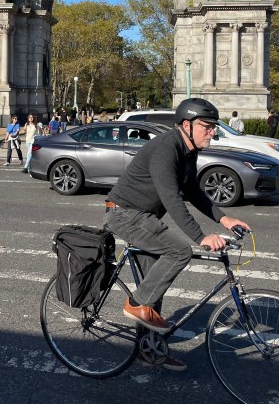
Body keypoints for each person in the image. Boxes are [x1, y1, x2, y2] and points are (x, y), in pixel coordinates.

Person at [103, 98, 250, 372]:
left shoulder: (188, 150)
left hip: (144, 216)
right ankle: (134, 304)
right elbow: (172, 198)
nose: (213, 131)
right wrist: (200, 237)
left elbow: (192, 191)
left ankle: (149, 350)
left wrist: (224, 217)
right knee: (179, 251)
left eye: (214, 126)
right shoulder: (166, 148)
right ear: (186, 125)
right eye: (207, 126)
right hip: (125, 214)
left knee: (154, 289)